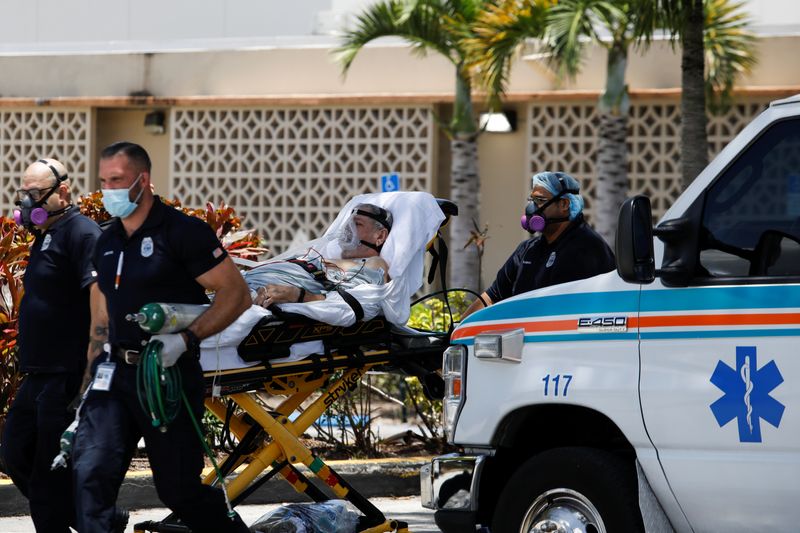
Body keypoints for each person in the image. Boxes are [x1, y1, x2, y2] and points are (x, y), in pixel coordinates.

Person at [71, 142, 252, 533]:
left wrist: (186, 339)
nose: (108, 191)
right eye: (103, 182)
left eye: (116, 180)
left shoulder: (183, 232)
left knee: (178, 490)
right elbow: (100, 320)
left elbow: (236, 294)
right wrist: (87, 386)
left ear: (143, 180)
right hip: (114, 374)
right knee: (90, 478)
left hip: (166, 375)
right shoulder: (106, 241)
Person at [0, 159, 109, 532]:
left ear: (62, 191)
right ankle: (94, 519)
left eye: (35, 195)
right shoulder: (47, 234)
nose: (28, 204)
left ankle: (77, 518)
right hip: (38, 375)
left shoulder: (83, 234)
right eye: (24, 194)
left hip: (65, 376)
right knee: (14, 454)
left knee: (48, 482)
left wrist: (88, 378)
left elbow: (101, 307)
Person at [462, 171, 615, 318]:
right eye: (531, 200)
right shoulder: (528, 249)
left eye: (540, 201)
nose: (532, 208)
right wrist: (457, 330)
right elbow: (491, 298)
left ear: (564, 204)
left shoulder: (587, 248)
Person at [249, 203, 392, 307]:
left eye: (357, 224)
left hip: (253, 295)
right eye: (348, 224)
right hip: (246, 281)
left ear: (380, 236)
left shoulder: (373, 263)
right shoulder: (324, 256)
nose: (348, 229)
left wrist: (295, 294)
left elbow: (348, 303)